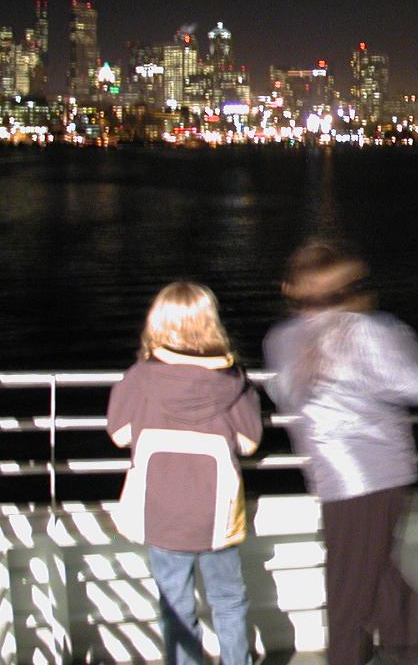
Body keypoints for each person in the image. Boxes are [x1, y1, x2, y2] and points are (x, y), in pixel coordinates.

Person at [263, 240, 418, 665]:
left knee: (355, 578)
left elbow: (284, 392)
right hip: (376, 474)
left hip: (334, 474)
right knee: (363, 582)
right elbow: (415, 384)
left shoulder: (283, 339)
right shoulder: (374, 331)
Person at [107, 282, 262, 665]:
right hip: (217, 517)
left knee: (175, 604)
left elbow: (119, 434)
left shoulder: (138, 378)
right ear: (212, 323)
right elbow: (249, 442)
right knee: (228, 600)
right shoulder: (234, 382)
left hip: (160, 510)